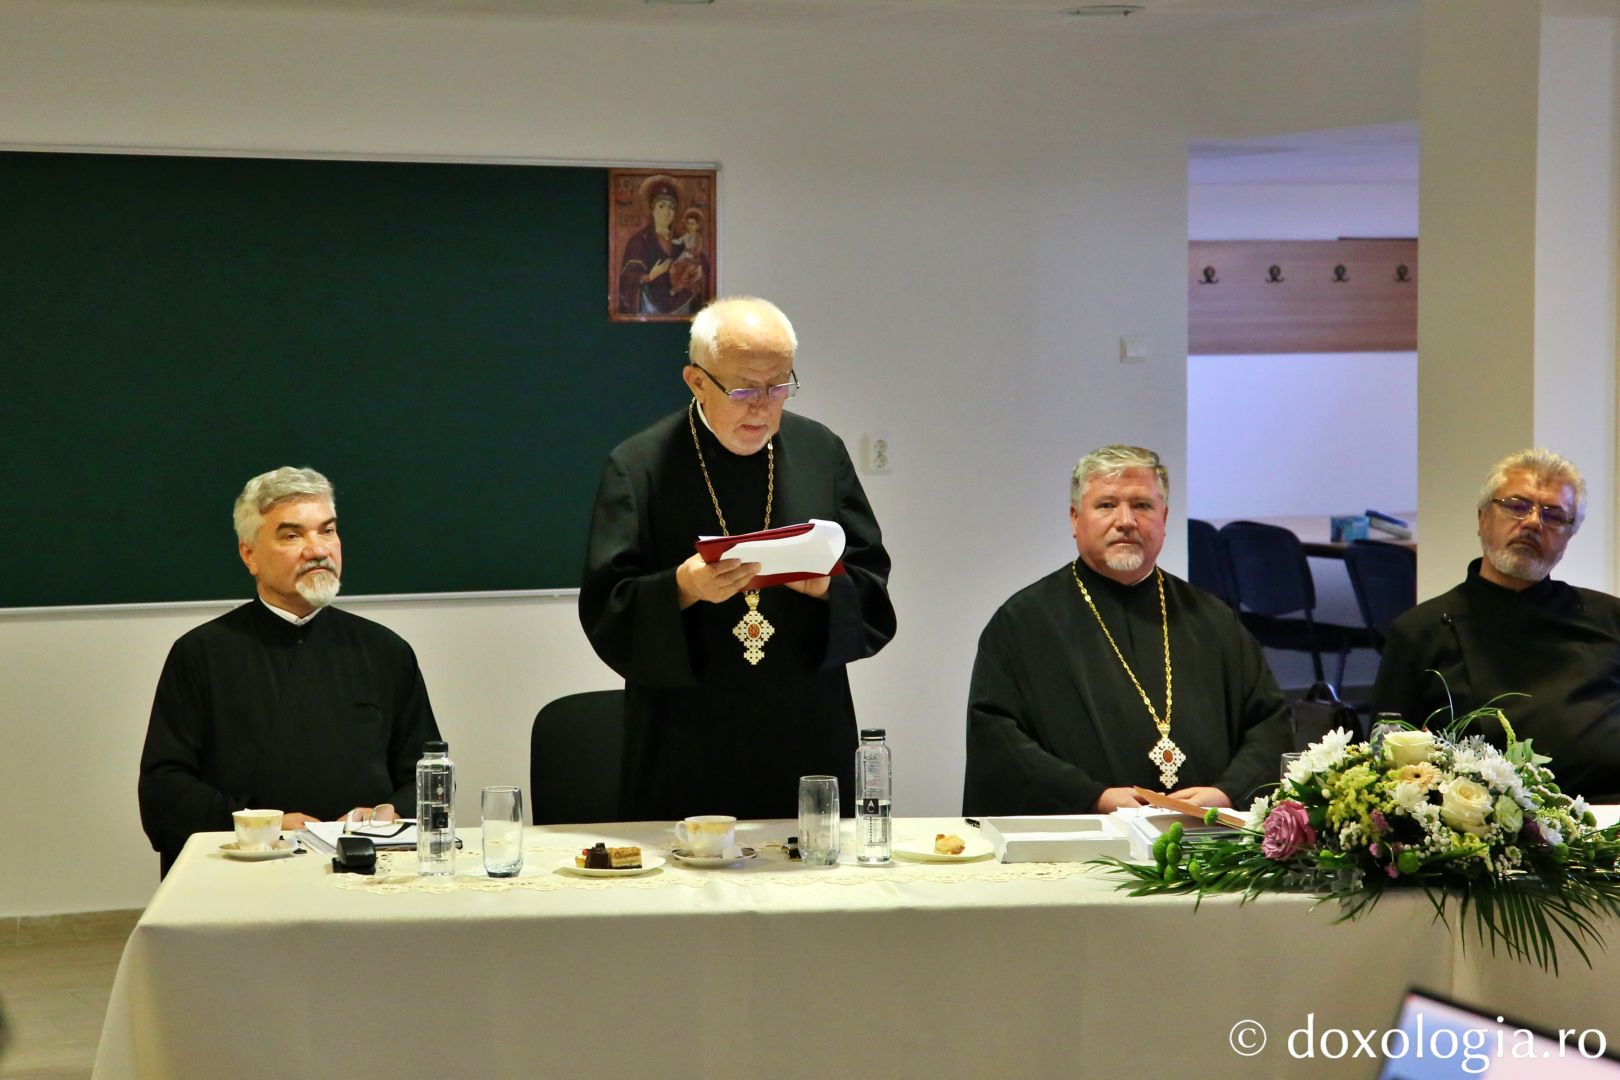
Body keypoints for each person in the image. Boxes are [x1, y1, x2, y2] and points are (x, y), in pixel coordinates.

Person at [579, 296, 896, 820]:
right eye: (744, 388)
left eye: (779, 387)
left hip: (806, 730)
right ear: (697, 381)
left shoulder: (822, 453)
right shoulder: (637, 467)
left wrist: (827, 587)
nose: (762, 406)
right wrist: (682, 587)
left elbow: (872, 588)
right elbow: (606, 610)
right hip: (685, 741)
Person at [138, 467, 441, 874]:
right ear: (249, 555)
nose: (317, 550)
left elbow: (430, 776)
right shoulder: (201, 653)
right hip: (241, 874)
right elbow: (163, 790)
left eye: (327, 531)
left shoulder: (386, 650)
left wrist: (388, 813)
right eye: (292, 535)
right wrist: (266, 826)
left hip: (371, 871)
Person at [963, 445, 1291, 816]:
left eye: (1142, 506)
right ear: (1074, 519)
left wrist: (1227, 793)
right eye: (1106, 505)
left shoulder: (1213, 620)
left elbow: (1270, 723)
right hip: (1084, 843)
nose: (1126, 520)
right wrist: (1092, 797)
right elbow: (997, 740)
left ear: (1164, 518)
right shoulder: (1022, 623)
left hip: (1204, 842)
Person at [1372, 448, 1620, 801]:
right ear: (1482, 518)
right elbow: (1386, 766)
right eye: (1517, 506)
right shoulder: (1419, 632)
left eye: (1553, 515)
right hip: (1480, 835)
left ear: (1568, 538)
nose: (1533, 522)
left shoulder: (1610, 620)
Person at [615, 174, 707, 317]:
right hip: (649, 305)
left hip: (681, 303)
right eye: (661, 206)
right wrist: (649, 277)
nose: (667, 212)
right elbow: (626, 277)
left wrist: (699, 270)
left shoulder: (682, 240)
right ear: (652, 209)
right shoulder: (639, 240)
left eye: (671, 207)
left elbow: (702, 264)